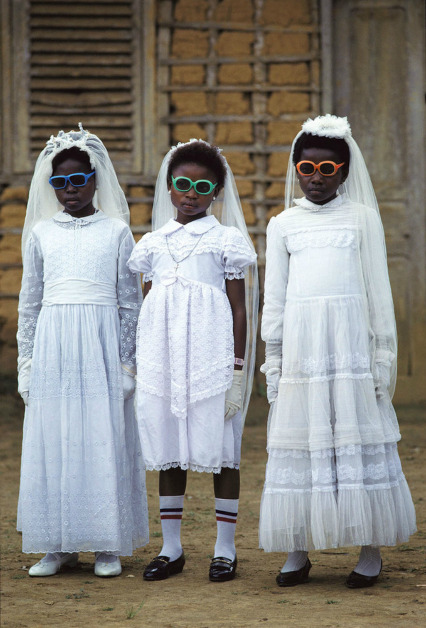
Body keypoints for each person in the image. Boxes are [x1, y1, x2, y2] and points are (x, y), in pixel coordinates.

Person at [259, 114, 416, 588]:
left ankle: (369, 549)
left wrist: (381, 357)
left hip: (349, 349)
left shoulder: (363, 219)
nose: (316, 178)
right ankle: (298, 549)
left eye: (328, 169)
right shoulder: (283, 224)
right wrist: (276, 361)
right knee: (304, 442)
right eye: (307, 169)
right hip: (305, 354)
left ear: (344, 171)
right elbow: (276, 298)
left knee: (355, 438)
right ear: (297, 170)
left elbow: (378, 292)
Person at [17, 125, 149, 578]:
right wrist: (27, 362)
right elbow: (30, 303)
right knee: (55, 437)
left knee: (101, 436)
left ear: (95, 180)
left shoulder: (115, 232)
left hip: (99, 346)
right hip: (55, 345)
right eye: (59, 183)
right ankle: (57, 544)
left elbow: (130, 302)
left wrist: (128, 362)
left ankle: (106, 544)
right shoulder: (40, 233)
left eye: (78, 180)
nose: (69, 190)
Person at [127, 139, 258, 582]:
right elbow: (151, 301)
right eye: (182, 183)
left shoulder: (226, 240)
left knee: (222, 452)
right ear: (169, 187)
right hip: (165, 358)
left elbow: (239, 308)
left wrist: (237, 369)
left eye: (203, 186)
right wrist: (145, 360)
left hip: (210, 356)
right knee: (170, 454)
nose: (191, 193)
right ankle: (171, 547)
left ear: (217, 192)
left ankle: (225, 549)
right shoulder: (153, 243)